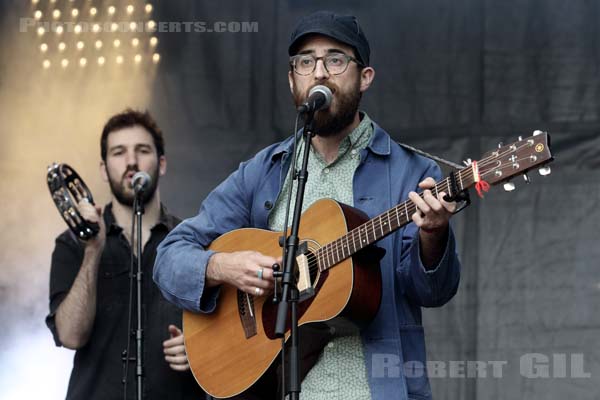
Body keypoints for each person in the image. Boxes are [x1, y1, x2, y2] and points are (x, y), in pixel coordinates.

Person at [153, 11, 461, 400]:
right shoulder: (263, 172)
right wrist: (223, 266)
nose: (319, 73)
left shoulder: (413, 173)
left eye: (335, 59)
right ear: (291, 79)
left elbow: (433, 291)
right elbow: (169, 257)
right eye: (305, 61)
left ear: (364, 77)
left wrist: (434, 233)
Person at [46, 110, 205, 399]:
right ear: (104, 170)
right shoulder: (71, 244)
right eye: (119, 152)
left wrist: (201, 346)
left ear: (162, 163)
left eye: (142, 150)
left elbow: (227, 332)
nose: (131, 161)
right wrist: (93, 250)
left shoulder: (194, 241)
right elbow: (71, 335)